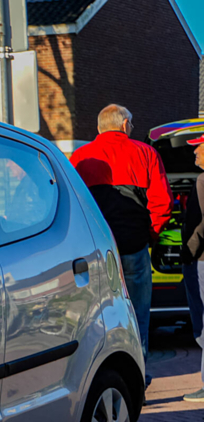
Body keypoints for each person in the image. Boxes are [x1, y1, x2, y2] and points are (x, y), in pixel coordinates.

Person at [71, 105, 173, 368]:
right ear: (125, 124)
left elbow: (73, 205)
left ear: (99, 128)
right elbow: (162, 203)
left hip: (95, 252)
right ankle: (138, 380)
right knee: (138, 317)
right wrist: (149, 235)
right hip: (134, 248)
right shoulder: (146, 153)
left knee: (96, 319)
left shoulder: (80, 158)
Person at [182, 135, 204, 401]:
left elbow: (201, 224)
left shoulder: (202, 181)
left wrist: (188, 252)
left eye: (198, 148)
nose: (194, 154)